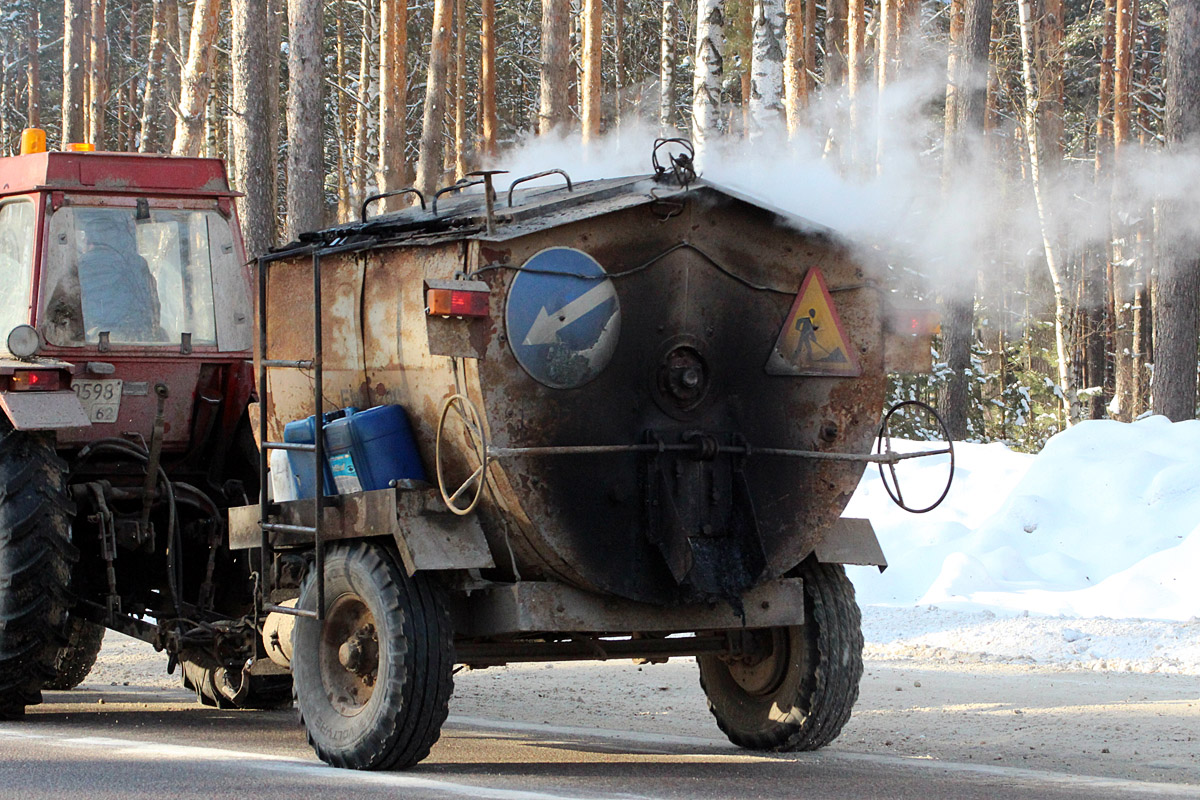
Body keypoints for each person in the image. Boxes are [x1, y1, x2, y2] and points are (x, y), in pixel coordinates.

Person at [76, 212, 162, 341]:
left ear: (88, 240)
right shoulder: (138, 264)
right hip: (140, 338)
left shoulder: (81, 265)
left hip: (98, 340)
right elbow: (153, 306)